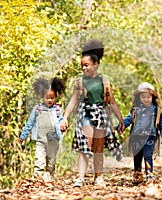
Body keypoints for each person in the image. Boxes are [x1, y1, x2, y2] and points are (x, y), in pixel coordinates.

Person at [60, 39, 125, 187]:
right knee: (84, 146)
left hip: (101, 115)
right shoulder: (80, 82)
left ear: (96, 64)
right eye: (82, 66)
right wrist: (65, 117)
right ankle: (80, 178)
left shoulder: (104, 81)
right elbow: (73, 101)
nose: (84, 68)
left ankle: (98, 177)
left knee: (98, 148)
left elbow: (112, 102)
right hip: (86, 115)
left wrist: (120, 120)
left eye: (86, 65)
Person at [19, 77, 66, 182]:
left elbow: (60, 122)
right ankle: (37, 179)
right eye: (47, 97)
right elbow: (29, 123)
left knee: (51, 161)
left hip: (53, 140)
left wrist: (63, 126)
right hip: (40, 141)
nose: (49, 100)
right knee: (39, 161)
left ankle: (50, 178)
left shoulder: (58, 110)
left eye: (52, 98)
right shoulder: (37, 109)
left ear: (56, 97)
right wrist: (23, 136)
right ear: (42, 97)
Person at [121, 82, 162, 184]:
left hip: (150, 137)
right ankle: (137, 174)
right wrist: (122, 126)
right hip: (137, 137)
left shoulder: (156, 110)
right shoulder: (135, 109)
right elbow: (129, 119)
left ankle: (149, 175)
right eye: (143, 97)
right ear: (139, 98)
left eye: (148, 97)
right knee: (137, 156)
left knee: (148, 155)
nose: (146, 99)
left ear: (152, 97)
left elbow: (161, 124)